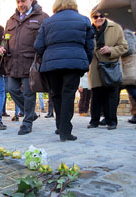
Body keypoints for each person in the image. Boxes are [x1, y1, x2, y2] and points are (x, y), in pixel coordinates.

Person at [34, 0, 94, 141]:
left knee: (56, 94)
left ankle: (60, 127)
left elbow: (38, 45)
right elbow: (90, 46)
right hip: (74, 61)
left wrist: (46, 56)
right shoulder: (84, 20)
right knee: (68, 94)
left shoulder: (48, 22)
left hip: (52, 63)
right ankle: (65, 131)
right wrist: (85, 61)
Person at [0, 0, 49, 135]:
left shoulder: (42, 17)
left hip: (31, 63)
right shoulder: (11, 20)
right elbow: (5, 38)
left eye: (23, 1)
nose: (21, 4)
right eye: (18, 1)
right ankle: (30, 113)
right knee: (11, 89)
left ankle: (27, 123)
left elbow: (48, 39)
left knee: (28, 93)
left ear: (31, 1)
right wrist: (2, 47)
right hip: (12, 63)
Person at [87, 6, 128, 130]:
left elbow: (124, 47)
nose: (99, 18)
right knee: (96, 95)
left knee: (111, 95)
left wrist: (111, 50)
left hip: (110, 66)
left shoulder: (115, 28)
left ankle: (111, 121)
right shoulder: (88, 30)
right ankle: (94, 121)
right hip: (94, 66)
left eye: (101, 16)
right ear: (92, 18)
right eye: (95, 16)